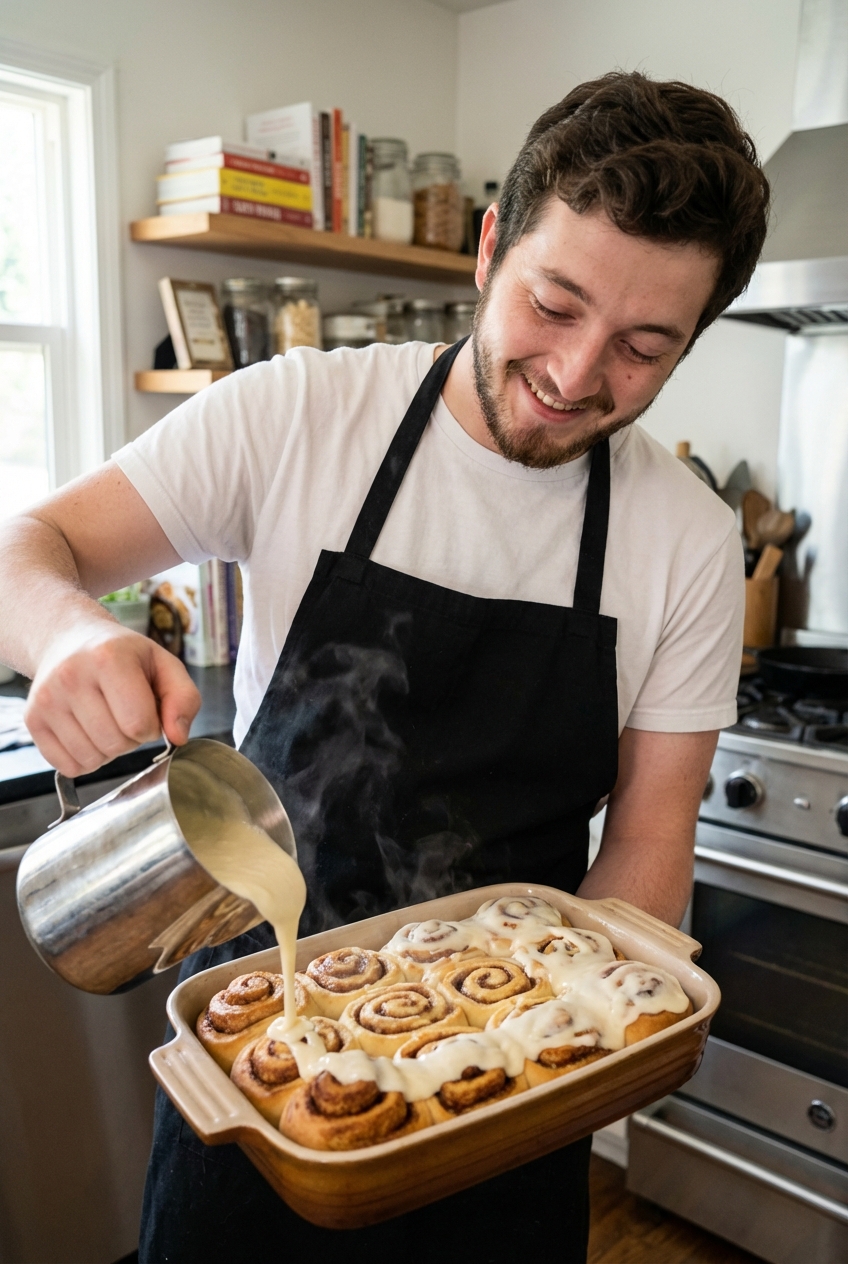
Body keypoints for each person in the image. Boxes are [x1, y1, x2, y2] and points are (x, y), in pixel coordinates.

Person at [0, 71, 768, 1262]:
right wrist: (67, 631)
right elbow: (23, 549)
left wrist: (580, 1029)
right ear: (486, 247)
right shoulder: (294, 414)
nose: (573, 376)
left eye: (641, 347)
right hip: (262, 1056)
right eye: (552, 305)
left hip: (512, 1075)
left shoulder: (686, 536)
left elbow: (650, 832)